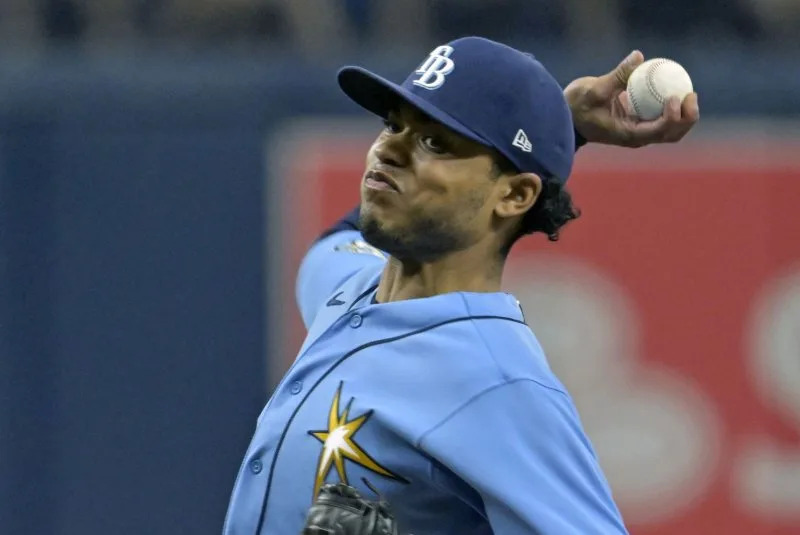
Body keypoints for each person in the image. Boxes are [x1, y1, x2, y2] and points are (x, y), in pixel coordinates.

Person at [223, 36, 699, 534]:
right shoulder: (350, 290)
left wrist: (547, 134)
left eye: (435, 142)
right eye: (393, 124)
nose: (389, 149)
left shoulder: (498, 382)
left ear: (515, 194)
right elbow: (334, 243)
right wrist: (563, 124)